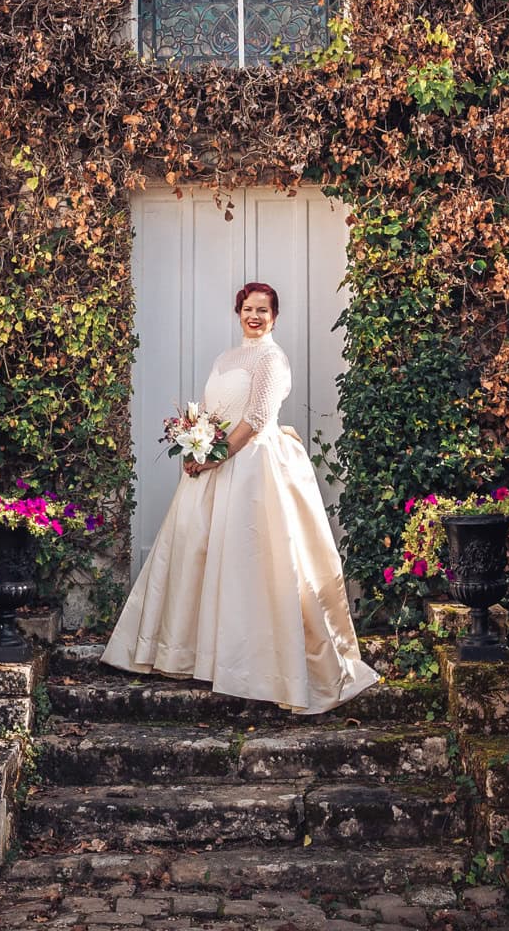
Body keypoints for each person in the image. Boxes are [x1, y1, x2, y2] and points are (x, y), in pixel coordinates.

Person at [102, 281, 378, 714]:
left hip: (253, 468)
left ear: (274, 317)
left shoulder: (272, 359)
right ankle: (195, 655)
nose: (255, 316)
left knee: (250, 562)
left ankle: (258, 665)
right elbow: (211, 415)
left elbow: (257, 417)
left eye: (263, 310)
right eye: (248, 309)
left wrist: (215, 456)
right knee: (199, 555)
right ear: (238, 312)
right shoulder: (225, 359)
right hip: (213, 468)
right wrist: (195, 446)